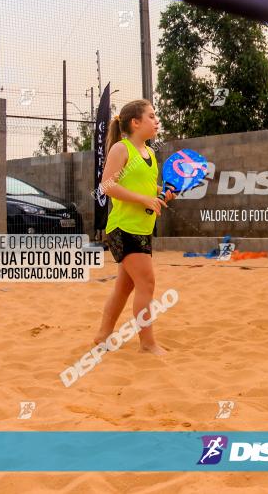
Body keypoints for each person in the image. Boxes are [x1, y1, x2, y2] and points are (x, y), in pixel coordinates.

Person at [93, 99, 173, 354]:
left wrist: (163, 193)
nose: (156, 120)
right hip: (123, 228)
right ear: (135, 122)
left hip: (142, 227)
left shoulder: (149, 153)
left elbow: (146, 189)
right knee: (147, 284)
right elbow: (106, 187)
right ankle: (147, 344)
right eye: (151, 116)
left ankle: (102, 336)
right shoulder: (121, 149)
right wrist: (143, 199)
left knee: (125, 287)